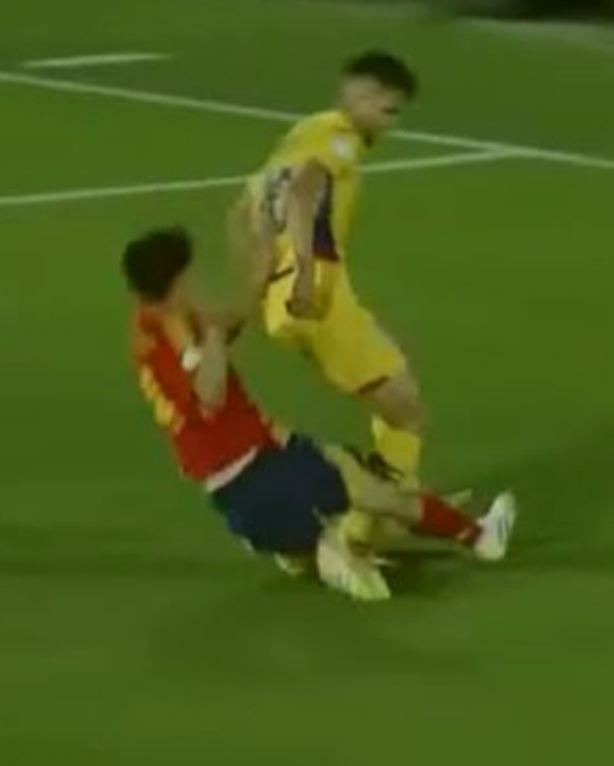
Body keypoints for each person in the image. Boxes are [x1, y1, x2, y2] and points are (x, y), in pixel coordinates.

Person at [123, 226, 516, 603]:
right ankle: (479, 537)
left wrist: (257, 280)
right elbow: (210, 394)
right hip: (255, 469)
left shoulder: (148, 322)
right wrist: (211, 336)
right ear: (177, 281)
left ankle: (303, 547)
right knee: (372, 491)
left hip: (233, 484)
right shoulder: (177, 332)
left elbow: (222, 331)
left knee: (342, 471)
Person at [229, 51, 425, 546]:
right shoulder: (340, 139)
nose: (389, 123)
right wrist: (303, 269)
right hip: (318, 290)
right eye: (387, 109)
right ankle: (369, 520)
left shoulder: (298, 136)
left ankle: (388, 506)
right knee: (404, 406)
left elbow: (243, 211)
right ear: (362, 94)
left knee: (390, 385)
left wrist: (258, 288)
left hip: (283, 302)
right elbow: (303, 193)